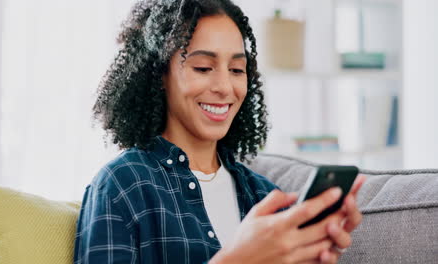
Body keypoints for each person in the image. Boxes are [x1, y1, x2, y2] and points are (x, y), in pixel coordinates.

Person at [73, 0, 366, 263]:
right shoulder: (123, 185)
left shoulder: (264, 197)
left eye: (237, 70)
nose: (225, 87)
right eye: (203, 67)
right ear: (159, 74)